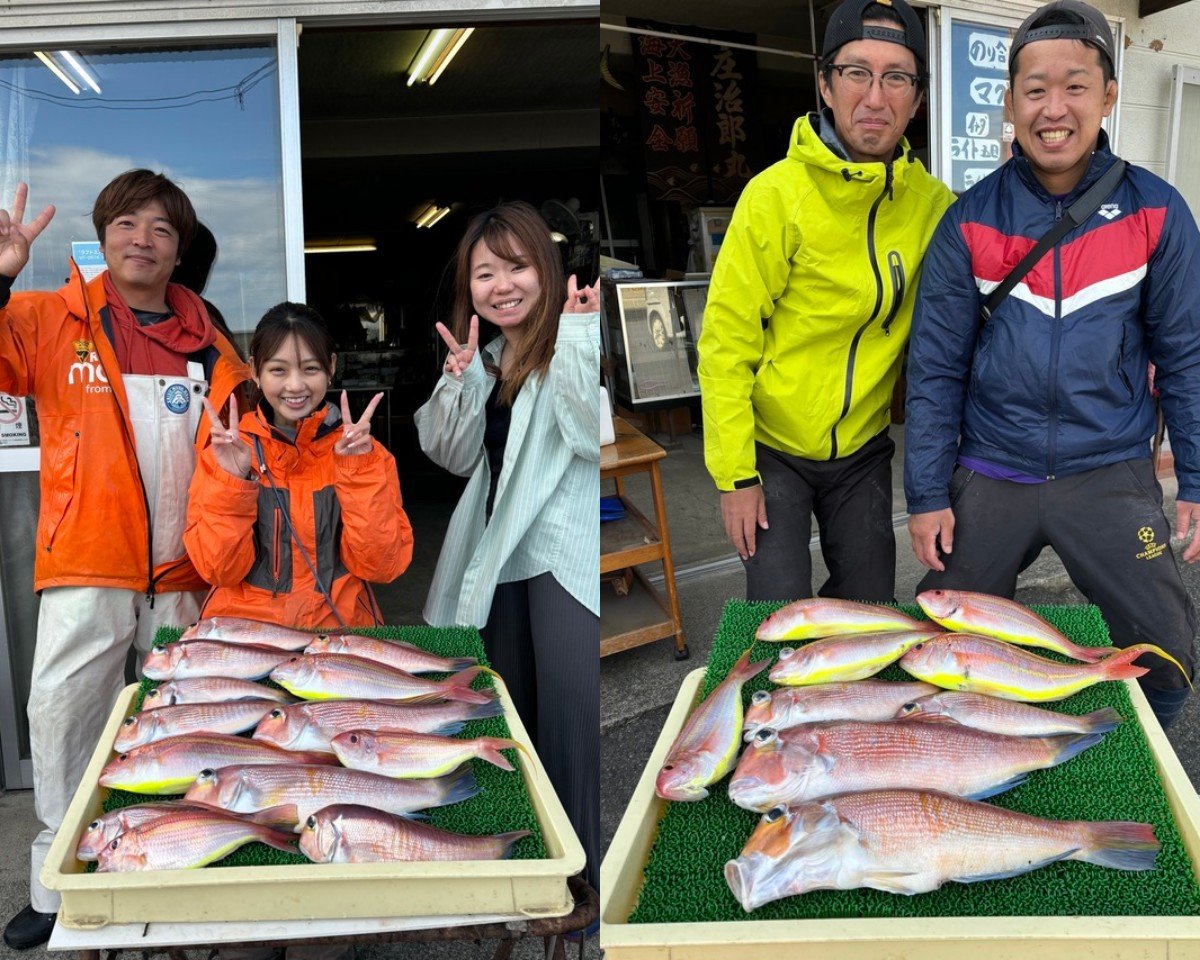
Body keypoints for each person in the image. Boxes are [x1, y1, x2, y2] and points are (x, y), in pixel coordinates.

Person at [904, 0, 1200, 728]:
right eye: (1035, 89)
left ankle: (1137, 761)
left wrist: (1194, 479)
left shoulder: (1156, 211)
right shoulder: (968, 218)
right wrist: (925, 494)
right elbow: (935, 368)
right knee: (935, 648)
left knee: (1168, 650)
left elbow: (1186, 356)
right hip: (991, 469)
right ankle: (961, 762)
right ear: (1008, 103)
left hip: (1108, 469)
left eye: (1075, 86)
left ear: (1107, 96)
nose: (1054, 108)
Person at [0, 171, 247, 949]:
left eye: (162, 230)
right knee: (65, 722)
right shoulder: (45, 318)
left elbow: (241, 448)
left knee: (182, 734)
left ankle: (168, 869)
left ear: (181, 252)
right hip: (85, 566)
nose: (143, 239)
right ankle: (55, 883)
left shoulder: (212, 342)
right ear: (103, 234)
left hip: (185, 578)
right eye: (129, 223)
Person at [696, 0, 955, 604]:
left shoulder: (934, 206)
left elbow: (983, 298)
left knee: (867, 610)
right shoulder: (775, 196)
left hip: (863, 453)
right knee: (782, 613)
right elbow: (726, 342)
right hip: (772, 450)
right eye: (856, 72)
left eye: (897, 77)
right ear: (825, 84)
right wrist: (735, 476)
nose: (875, 96)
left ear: (917, 98)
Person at [415, 201, 600, 895]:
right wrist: (459, 381)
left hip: (558, 552)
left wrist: (581, 338)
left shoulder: (578, 335)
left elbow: (589, 435)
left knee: (572, 720)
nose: (502, 286)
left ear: (546, 270)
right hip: (500, 553)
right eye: (484, 273)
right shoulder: (488, 357)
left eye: (516, 266)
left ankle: (585, 880)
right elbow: (452, 454)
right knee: (511, 711)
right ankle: (532, 857)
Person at [186, 301, 412, 627]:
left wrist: (359, 472)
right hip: (249, 635)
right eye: (278, 370)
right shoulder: (226, 455)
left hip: (338, 632)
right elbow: (219, 570)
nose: (295, 385)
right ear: (254, 371)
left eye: (310, 368)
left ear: (331, 367)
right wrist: (232, 481)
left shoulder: (366, 455)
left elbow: (381, 566)